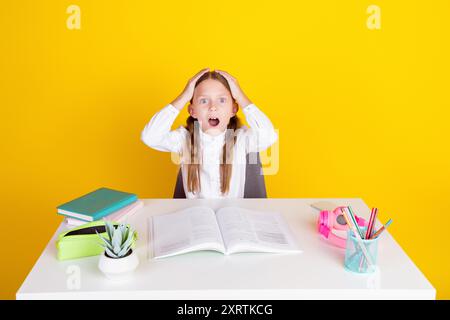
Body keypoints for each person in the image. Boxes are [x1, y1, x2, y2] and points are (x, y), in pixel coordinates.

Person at [141, 68, 277, 198]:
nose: (213, 107)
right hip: (197, 218)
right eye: (204, 101)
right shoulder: (184, 139)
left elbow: (269, 136)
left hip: (232, 217)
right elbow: (150, 137)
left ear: (233, 109)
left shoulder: (242, 138)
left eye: (222, 100)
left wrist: (240, 96)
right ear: (192, 111)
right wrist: (184, 96)